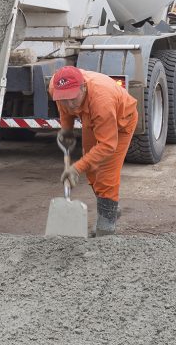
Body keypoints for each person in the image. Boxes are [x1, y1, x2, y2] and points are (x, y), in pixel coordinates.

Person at [51, 65, 138, 236]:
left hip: (121, 122)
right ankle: (109, 207)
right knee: (91, 168)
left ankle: (105, 229)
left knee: (105, 174)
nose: (69, 104)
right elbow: (65, 108)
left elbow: (107, 145)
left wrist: (76, 168)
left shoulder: (102, 100)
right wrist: (66, 129)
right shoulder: (56, 87)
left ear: (83, 87)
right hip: (90, 116)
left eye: (72, 98)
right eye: (63, 98)